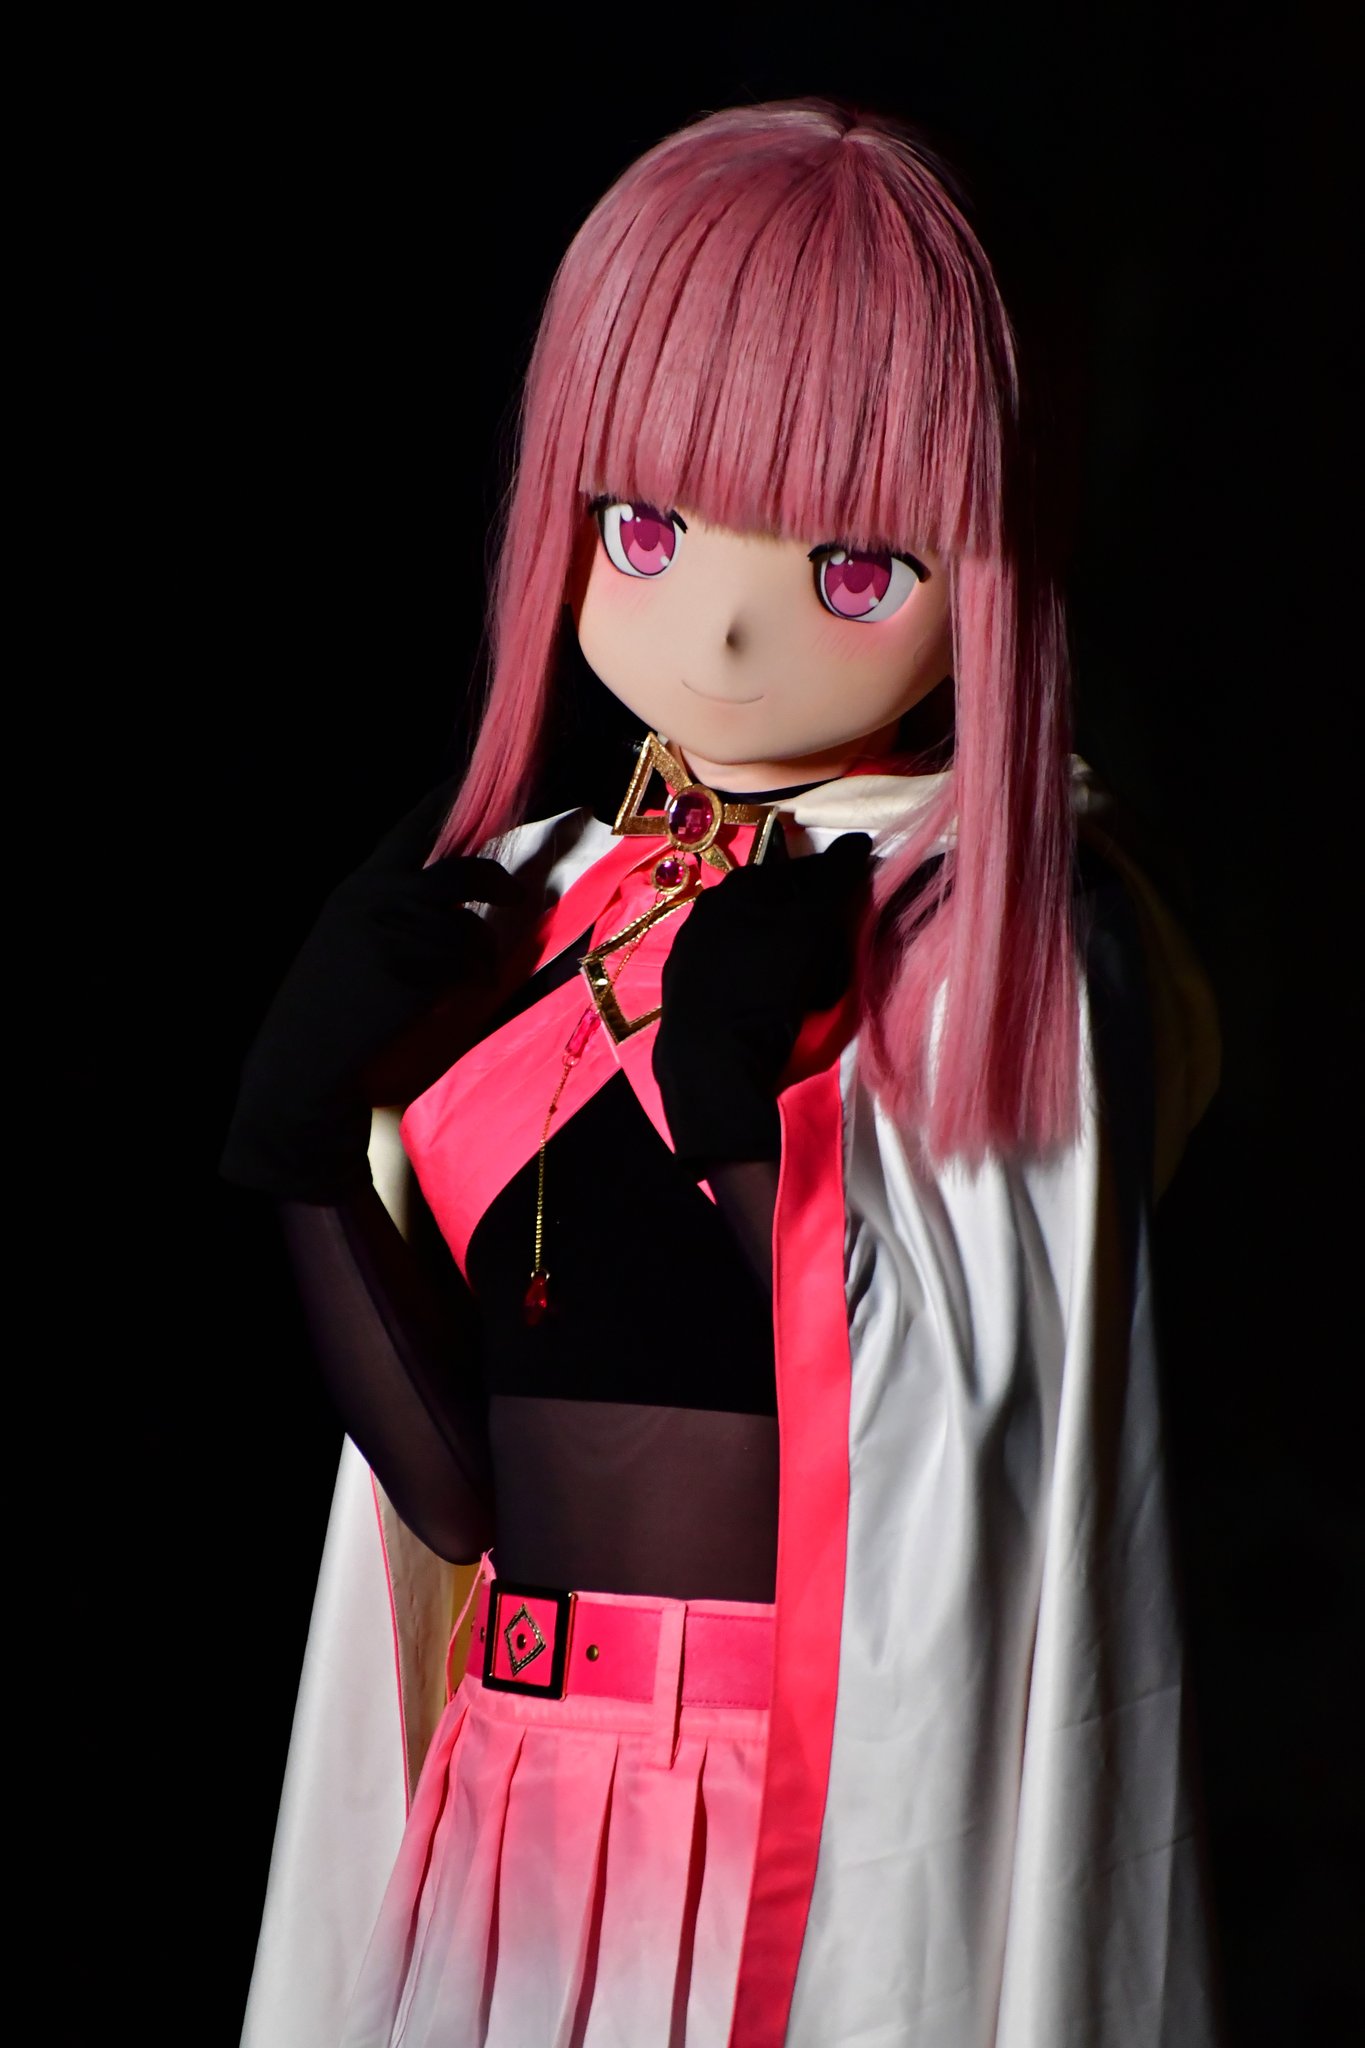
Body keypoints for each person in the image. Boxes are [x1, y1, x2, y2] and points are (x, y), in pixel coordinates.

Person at [223, 99, 1221, 2048]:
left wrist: (747, 1125)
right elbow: (453, 1509)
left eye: (852, 567)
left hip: (813, 1822)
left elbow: (950, 1467)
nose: (731, 623)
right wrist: (310, 1167)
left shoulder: (997, 922)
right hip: (504, 1805)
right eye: (647, 530)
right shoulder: (529, 900)